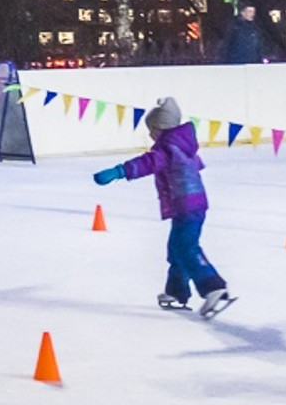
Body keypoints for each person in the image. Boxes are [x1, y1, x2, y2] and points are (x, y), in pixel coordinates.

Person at [93, 97, 235, 319]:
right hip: (189, 204)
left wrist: (119, 171)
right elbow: (195, 165)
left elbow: (148, 163)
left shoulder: (168, 148)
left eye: (151, 129)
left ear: (160, 128)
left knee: (186, 247)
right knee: (176, 248)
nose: (149, 134)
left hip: (188, 204)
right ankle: (176, 292)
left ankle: (212, 286)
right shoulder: (182, 146)